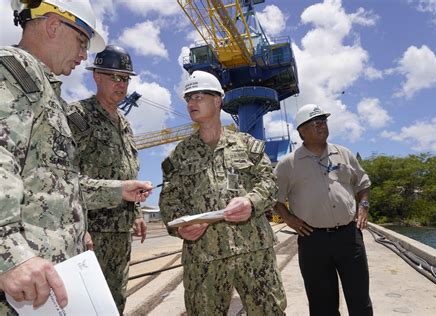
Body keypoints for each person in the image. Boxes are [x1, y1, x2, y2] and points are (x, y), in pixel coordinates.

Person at [0, 1, 152, 314]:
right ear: (53, 25)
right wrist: (9, 253)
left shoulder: (46, 93)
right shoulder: (14, 71)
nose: (84, 55)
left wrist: (117, 191)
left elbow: (57, 185)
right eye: (82, 43)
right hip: (25, 280)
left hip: (50, 278)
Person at [159, 70, 286, 315]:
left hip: (253, 252)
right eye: (188, 99)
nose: (190, 103)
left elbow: (269, 183)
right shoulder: (179, 156)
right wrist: (180, 227)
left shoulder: (247, 145)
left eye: (198, 97)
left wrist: (251, 202)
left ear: (217, 100)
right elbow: (169, 202)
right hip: (203, 258)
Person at [274, 103, 373, 316]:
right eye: (315, 123)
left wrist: (363, 207)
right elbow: (274, 198)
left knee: (360, 300)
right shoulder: (288, 164)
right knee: (322, 305)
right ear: (302, 130)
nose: (322, 126)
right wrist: (289, 218)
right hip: (313, 241)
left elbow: (363, 184)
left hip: (349, 236)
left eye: (324, 121)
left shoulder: (344, 154)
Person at [68, 45, 146, 313]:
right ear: (96, 76)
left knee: (114, 302)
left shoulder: (125, 124)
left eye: (125, 78)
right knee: (86, 306)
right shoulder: (79, 117)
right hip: (91, 235)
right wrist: (81, 228)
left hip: (120, 235)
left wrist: (135, 213)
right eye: (114, 77)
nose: (121, 84)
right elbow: (64, 177)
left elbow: (128, 172)